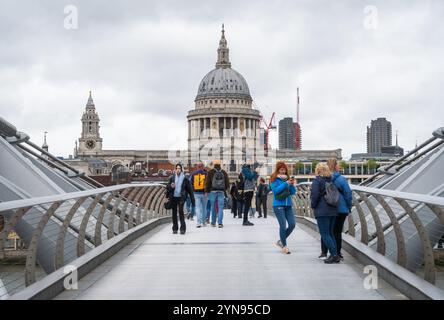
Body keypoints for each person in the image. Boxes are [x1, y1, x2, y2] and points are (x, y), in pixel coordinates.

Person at [318, 159, 353, 260]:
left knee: (326, 231)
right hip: (341, 209)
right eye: (338, 165)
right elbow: (348, 194)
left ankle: (324, 252)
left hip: (327, 208)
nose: (340, 167)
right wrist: (348, 206)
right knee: (337, 232)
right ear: (335, 166)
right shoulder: (341, 179)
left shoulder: (323, 178)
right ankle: (337, 253)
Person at [311, 162, 340, 263]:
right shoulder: (331, 180)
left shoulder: (317, 181)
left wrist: (313, 206)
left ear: (318, 170)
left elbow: (314, 196)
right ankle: (335, 255)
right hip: (333, 210)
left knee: (325, 234)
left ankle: (334, 255)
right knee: (330, 233)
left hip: (322, 211)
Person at [270, 161, 296, 254]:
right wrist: (286, 184)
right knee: (283, 225)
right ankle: (284, 246)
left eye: (284, 170)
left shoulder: (287, 179)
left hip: (288, 205)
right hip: (278, 205)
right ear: (278, 170)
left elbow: (293, 192)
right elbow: (276, 191)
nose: (283, 172)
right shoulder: (274, 179)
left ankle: (281, 241)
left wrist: (292, 185)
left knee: (292, 224)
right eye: (281, 169)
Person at [166, 163, 195, 234]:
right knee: (174, 213)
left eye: (179, 168)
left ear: (181, 169)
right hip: (173, 197)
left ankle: (183, 229)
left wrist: (192, 200)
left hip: (181, 197)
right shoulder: (172, 177)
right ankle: (175, 228)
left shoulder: (185, 178)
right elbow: (167, 187)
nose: (178, 170)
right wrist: (171, 186)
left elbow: (190, 189)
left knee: (181, 212)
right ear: (175, 169)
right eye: (177, 168)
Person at [205, 160, 230, 228]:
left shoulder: (210, 172)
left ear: (214, 164)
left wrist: (206, 192)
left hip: (213, 192)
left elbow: (208, 183)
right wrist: (227, 191)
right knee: (220, 207)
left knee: (213, 207)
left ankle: (213, 222)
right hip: (221, 191)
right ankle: (220, 223)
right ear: (220, 164)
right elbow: (227, 182)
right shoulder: (224, 172)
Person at [189, 161, 208, 228]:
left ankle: (198, 222)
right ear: (203, 167)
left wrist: (193, 190)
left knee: (198, 208)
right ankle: (204, 222)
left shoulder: (193, 174)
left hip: (196, 193)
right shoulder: (206, 174)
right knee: (204, 208)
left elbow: (190, 183)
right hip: (204, 193)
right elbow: (208, 184)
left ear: (197, 167)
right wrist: (207, 192)